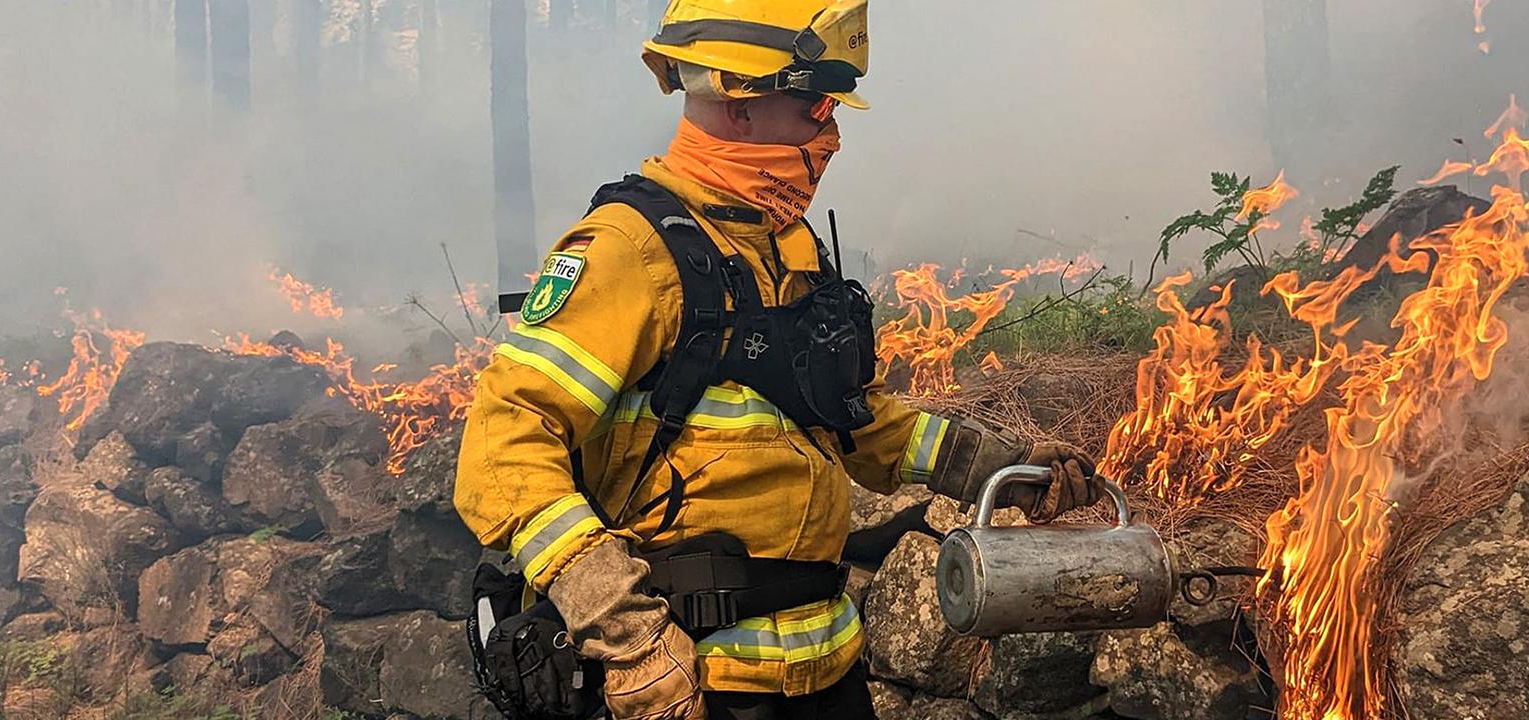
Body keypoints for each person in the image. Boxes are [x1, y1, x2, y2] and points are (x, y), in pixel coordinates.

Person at [455, 1, 1105, 718]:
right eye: (817, 105)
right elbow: (504, 443)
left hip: (828, 678)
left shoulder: (788, 250)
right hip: (698, 687)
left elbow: (859, 422)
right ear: (740, 101)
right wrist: (627, 635)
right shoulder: (629, 251)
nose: (830, 136)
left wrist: (998, 470)